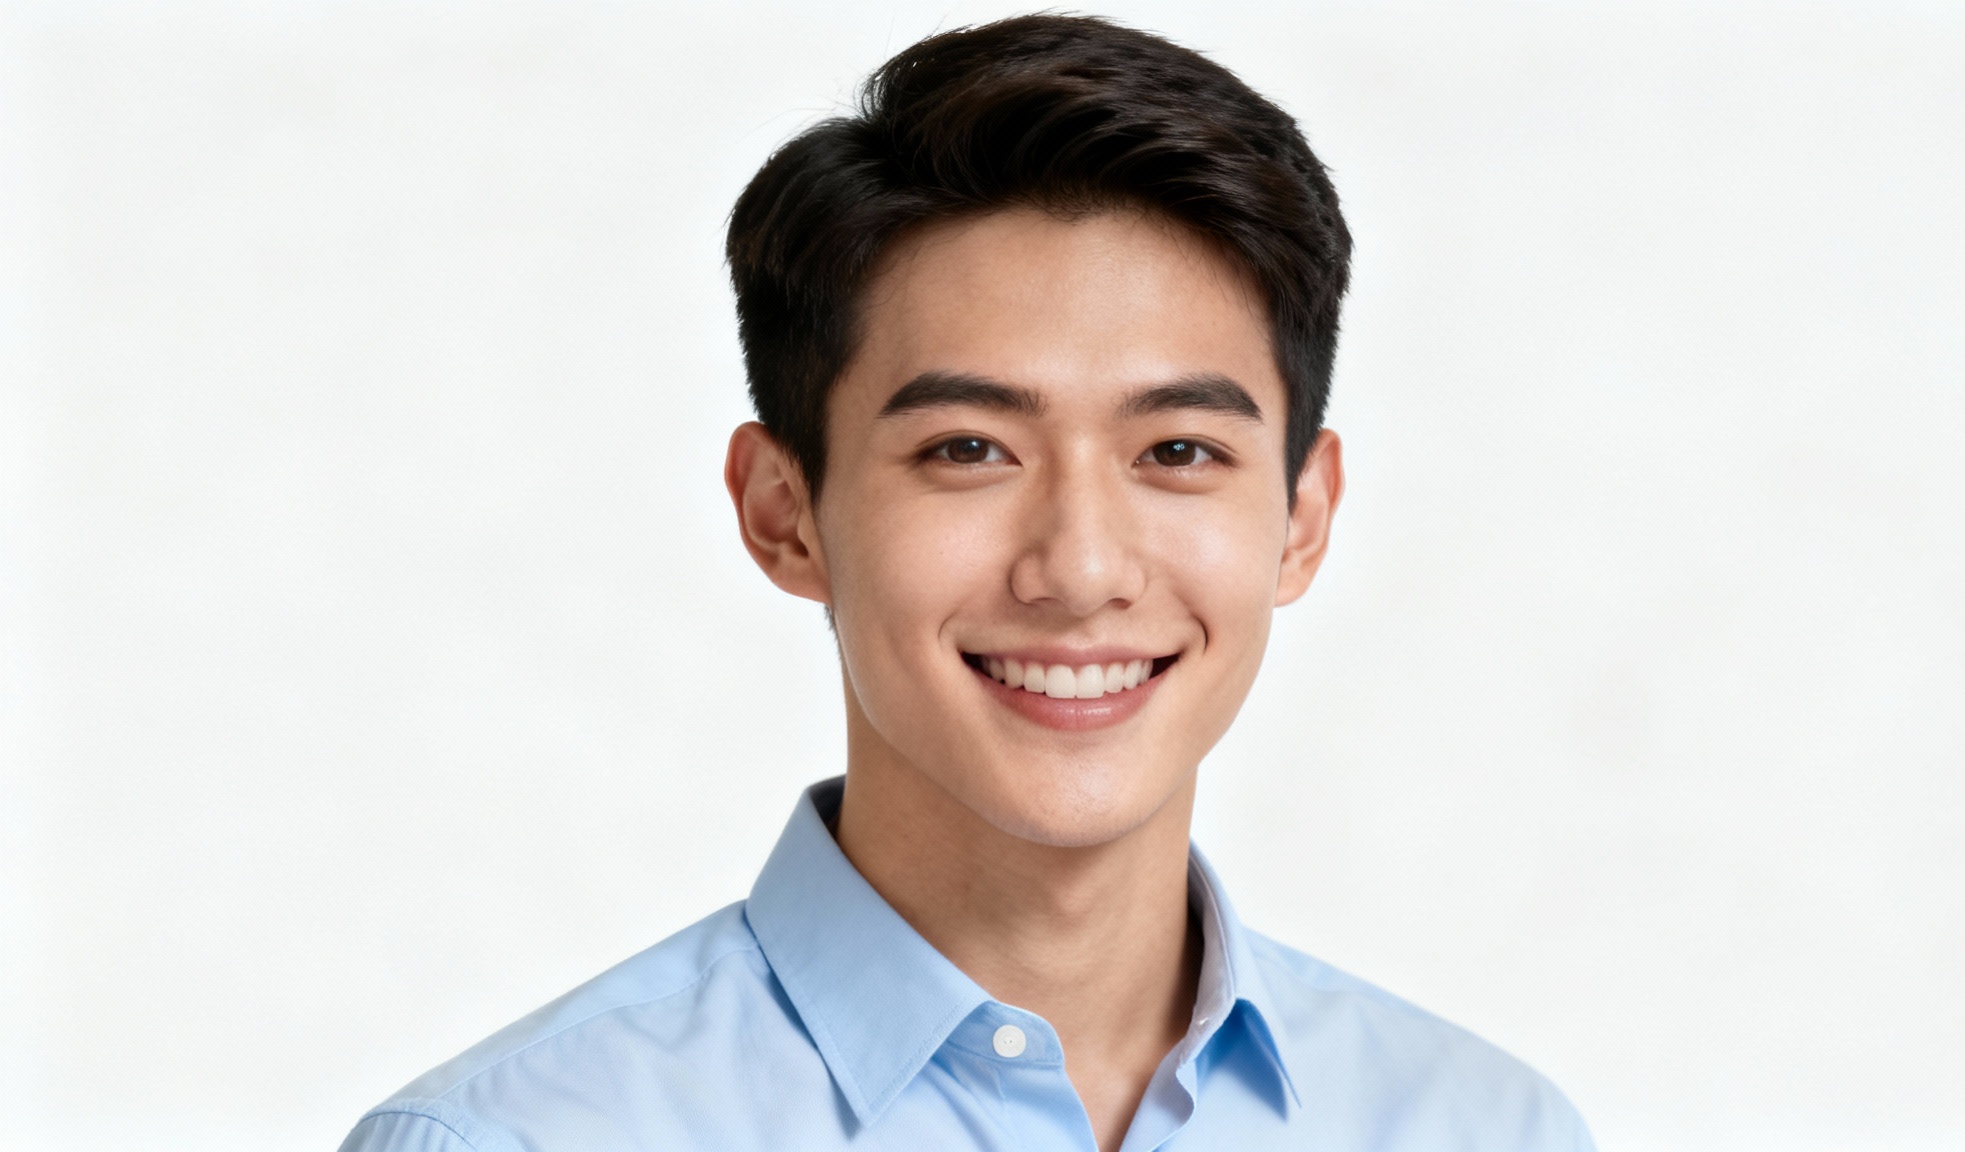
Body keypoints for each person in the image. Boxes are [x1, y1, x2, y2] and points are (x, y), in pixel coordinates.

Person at [340, 14, 1595, 1152]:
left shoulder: (1487, 1129)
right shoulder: (518, 1140)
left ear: (1299, 519)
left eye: (1177, 452)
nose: (1082, 569)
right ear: (785, 517)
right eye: (967, 450)